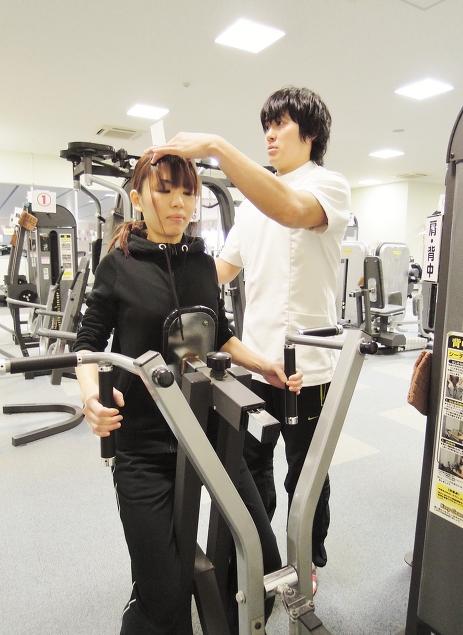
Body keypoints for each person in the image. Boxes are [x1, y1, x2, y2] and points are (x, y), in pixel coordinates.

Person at [72, 153, 302, 635]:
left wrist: (265, 366)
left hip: (210, 436)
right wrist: (91, 398)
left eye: (188, 191)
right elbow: (88, 345)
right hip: (145, 447)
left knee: (262, 561)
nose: (180, 202)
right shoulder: (118, 266)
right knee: (162, 597)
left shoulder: (202, 263)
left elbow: (222, 334)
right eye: (165, 190)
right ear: (138, 199)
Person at [149, 85, 351, 592]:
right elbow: (220, 270)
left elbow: (291, 210)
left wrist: (218, 146)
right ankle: (261, 557)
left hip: (308, 368)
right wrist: (158, 272)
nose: (270, 135)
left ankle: (306, 561)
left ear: (311, 132)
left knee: (306, 475)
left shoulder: (329, 187)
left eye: (280, 124)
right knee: (249, 468)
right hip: (254, 363)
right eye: (266, 126)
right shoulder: (252, 203)